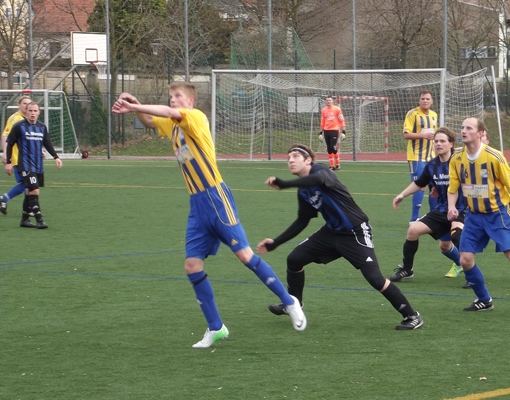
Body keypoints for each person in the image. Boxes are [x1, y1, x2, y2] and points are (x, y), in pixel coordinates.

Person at [112, 84, 306, 348]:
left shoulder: (195, 117)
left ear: (191, 100)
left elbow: (168, 111)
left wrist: (134, 106)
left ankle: (289, 301)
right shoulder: (172, 123)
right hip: (197, 205)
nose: (173, 101)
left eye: (178, 96)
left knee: (245, 256)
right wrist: (136, 104)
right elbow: (149, 120)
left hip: (216, 197)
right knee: (192, 266)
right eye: (171, 97)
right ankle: (216, 328)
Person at [257, 144, 424, 331]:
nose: (290, 160)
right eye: (288, 158)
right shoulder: (303, 190)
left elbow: (318, 180)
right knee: (294, 259)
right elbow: (302, 221)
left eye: (295, 156)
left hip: (355, 232)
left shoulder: (321, 170)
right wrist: (275, 243)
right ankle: (295, 305)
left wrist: (285, 183)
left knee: (375, 278)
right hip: (331, 232)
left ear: (308, 160)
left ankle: (412, 315)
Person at [447, 118, 510, 317]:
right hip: (473, 217)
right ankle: (484, 300)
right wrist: (451, 207)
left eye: (469, 128)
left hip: (497, 214)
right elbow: (453, 187)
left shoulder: (494, 157)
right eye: (462, 128)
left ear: (481, 133)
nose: (463, 131)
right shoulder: (456, 158)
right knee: (465, 260)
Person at [390, 127, 466, 282]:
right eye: (436, 141)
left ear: (451, 144)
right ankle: (407, 269)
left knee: (457, 236)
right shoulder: (432, 165)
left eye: (442, 141)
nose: (438, 144)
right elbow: (419, 183)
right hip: (441, 210)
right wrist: (402, 195)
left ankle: (471, 274)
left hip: (462, 210)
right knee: (413, 231)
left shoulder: (461, 162)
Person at [3, 101, 62, 228]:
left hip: (38, 165)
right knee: (34, 190)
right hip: (24, 164)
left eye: (35, 111)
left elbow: (47, 143)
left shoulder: (42, 127)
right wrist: (8, 162)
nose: (32, 113)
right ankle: (39, 219)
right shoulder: (19, 126)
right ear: (26, 111)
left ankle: (24, 219)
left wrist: (56, 157)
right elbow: (10, 144)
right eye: (30, 110)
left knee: (29, 191)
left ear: (39, 113)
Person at [403, 91, 437, 223]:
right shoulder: (412, 114)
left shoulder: (434, 115)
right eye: (422, 98)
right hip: (416, 156)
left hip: (431, 157)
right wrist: (423, 135)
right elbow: (406, 134)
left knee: (435, 186)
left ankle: (434, 216)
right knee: (420, 185)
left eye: (428, 99)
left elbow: (434, 134)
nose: (425, 101)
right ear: (419, 100)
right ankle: (414, 218)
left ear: (432, 101)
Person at [0, 95, 33, 216]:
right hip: (16, 157)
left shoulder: (26, 119)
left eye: (28, 104)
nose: (26, 105)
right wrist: (5, 154)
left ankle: (4, 199)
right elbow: (5, 135)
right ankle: (29, 209)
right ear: (19, 104)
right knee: (27, 183)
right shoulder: (14, 118)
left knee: (27, 183)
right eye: (24, 103)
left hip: (26, 157)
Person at [319, 95, 346, 170]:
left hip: (334, 130)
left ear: (332, 101)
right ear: (325, 101)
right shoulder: (324, 110)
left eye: (329, 100)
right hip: (326, 131)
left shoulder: (337, 109)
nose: (328, 101)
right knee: (329, 148)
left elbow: (341, 120)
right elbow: (322, 121)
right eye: (327, 100)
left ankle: (338, 164)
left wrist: (343, 131)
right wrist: (320, 132)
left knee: (333, 147)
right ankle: (332, 166)